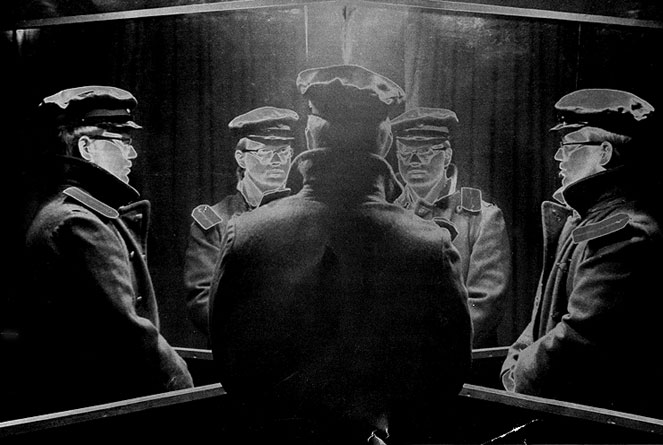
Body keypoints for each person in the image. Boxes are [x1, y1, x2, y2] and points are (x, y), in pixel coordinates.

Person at [208, 65, 472, 444]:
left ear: (309, 134)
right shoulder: (429, 244)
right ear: (385, 140)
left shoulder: (247, 234)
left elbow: (230, 367)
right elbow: (449, 375)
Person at [10, 85, 193, 417]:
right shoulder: (80, 223)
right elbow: (129, 334)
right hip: (95, 405)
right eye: (122, 141)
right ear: (86, 148)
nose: (132, 154)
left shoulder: (70, 213)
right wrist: (183, 385)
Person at [501, 88, 663, 419]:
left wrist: (519, 373)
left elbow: (581, 337)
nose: (558, 157)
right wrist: (518, 359)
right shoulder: (585, 220)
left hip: (597, 424)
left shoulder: (626, 232)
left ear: (604, 153)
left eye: (568, 145)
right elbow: (544, 315)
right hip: (568, 411)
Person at [391, 107, 511, 348]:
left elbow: (484, 303)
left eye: (425, 151)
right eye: (405, 152)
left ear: (447, 156)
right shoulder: (388, 214)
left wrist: (430, 350)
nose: (413, 161)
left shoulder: (481, 218)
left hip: (457, 357)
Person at [183, 106, 298, 337]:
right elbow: (203, 303)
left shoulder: (302, 214)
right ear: (241, 158)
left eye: (284, 151)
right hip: (243, 349)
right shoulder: (214, 222)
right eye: (265, 152)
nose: (277, 161)